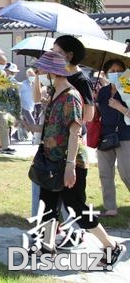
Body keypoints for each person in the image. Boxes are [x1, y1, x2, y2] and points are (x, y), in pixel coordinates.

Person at [26, 51, 125, 267]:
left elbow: (75, 132)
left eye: (43, 69)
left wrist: (70, 166)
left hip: (70, 161)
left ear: (53, 72)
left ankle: (112, 247)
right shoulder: (53, 92)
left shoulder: (71, 96)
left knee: (76, 208)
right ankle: (47, 248)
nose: (40, 71)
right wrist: (29, 126)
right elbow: (50, 123)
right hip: (52, 159)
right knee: (48, 204)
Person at [95, 58, 130, 217]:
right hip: (105, 136)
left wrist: (120, 107)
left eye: (119, 70)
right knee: (105, 173)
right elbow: (97, 115)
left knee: (126, 173)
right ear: (106, 74)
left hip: (125, 136)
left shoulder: (128, 88)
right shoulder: (102, 91)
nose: (116, 74)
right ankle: (110, 208)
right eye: (112, 71)